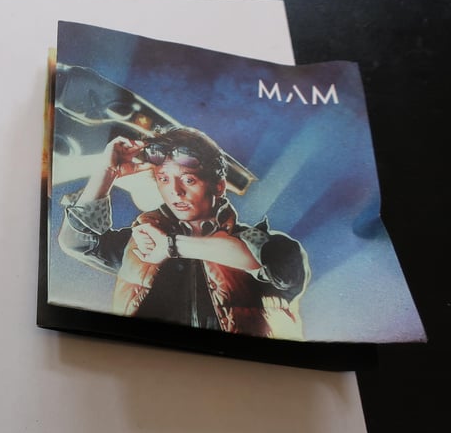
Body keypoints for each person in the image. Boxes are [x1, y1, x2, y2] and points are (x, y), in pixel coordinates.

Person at [57, 127, 309, 339]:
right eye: (164, 179)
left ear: (219, 186)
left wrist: (171, 247)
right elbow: (77, 242)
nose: (175, 191)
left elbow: (277, 269)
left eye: (188, 180)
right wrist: (106, 172)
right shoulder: (142, 242)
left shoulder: (266, 245)